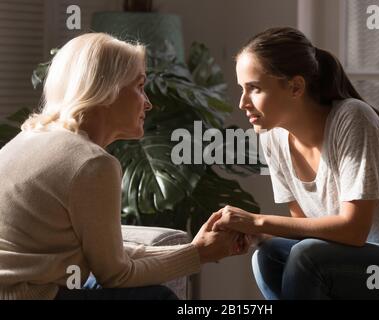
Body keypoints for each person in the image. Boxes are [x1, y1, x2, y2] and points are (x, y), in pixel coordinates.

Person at [0, 33, 248, 300]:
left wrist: (195, 249)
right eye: (140, 86)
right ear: (107, 89)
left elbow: (111, 256)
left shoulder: (27, 138)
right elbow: (116, 275)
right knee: (157, 299)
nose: (148, 102)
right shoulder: (91, 163)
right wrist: (200, 254)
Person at [212, 27, 379, 299]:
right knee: (269, 255)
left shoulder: (352, 118)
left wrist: (257, 221)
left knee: (307, 256)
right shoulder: (272, 136)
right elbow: (304, 226)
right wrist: (255, 234)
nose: (243, 102)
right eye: (242, 89)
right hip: (371, 258)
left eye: (254, 89)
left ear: (296, 87)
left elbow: (353, 230)